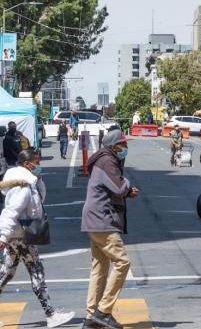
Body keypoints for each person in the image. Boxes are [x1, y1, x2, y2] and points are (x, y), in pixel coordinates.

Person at [0, 150, 75, 328]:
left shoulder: (28, 183)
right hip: (20, 235)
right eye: (37, 161)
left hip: (16, 234)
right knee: (36, 271)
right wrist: (4, 234)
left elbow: (38, 200)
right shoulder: (22, 186)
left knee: (7, 272)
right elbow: (11, 211)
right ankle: (51, 314)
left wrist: (39, 182)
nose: (39, 165)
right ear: (27, 163)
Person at [81, 129, 137, 329]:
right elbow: (120, 187)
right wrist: (129, 187)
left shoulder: (104, 160)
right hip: (102, 220)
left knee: (100, 267)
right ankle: (103, 311)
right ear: (114, 147)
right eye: (123, 145)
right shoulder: (107, 161)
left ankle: (91, 317)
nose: (126, 148)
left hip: (95, 220)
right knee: (123, 263)